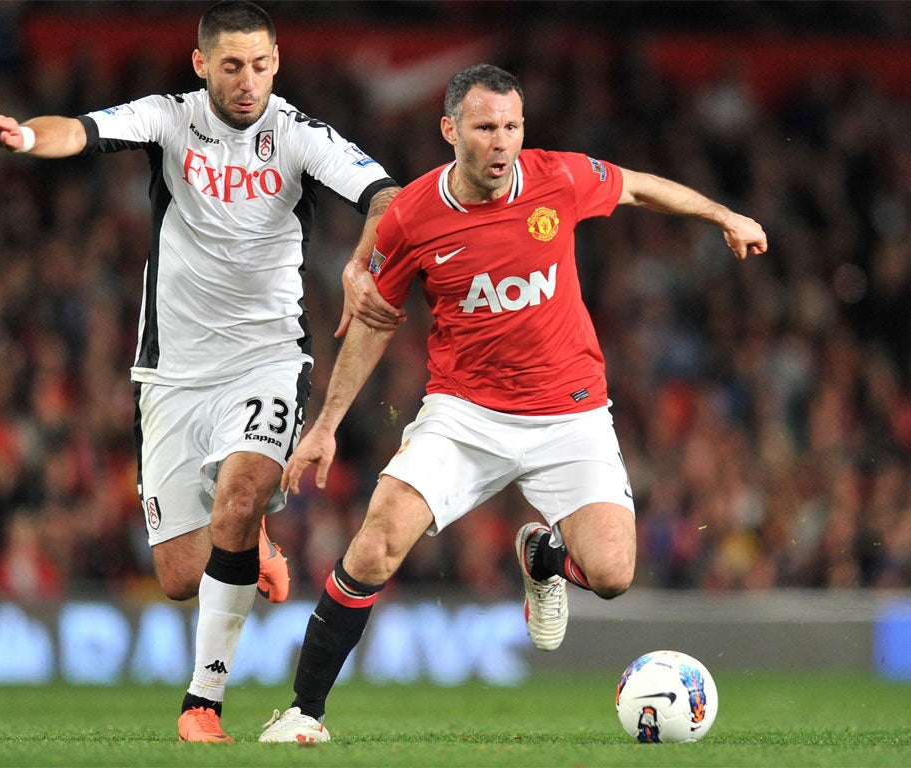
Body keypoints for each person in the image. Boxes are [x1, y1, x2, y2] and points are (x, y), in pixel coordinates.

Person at [259, 63, 767, 743]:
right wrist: (325, 425)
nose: (500, 142)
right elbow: (376, 318)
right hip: (464, 414)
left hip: (571, 413)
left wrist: (722, 214)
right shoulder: (412, 214)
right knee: (375, 544)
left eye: (510, 126)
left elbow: (638, 189)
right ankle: (304, 712)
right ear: (450, 130)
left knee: (614, 574)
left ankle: (545, 560)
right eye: (484, 127)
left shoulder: (556, 176)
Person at [0, 0, 403, 743]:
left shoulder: (295, 133)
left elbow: (386, 194)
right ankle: (249, 542)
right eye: (231, 65)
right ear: (201, 64)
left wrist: (364, 260)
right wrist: (25, 134)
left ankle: (202, 704)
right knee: (178, 576)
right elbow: (84, 129)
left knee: (240, 493)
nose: (248, 80)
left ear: (277, 60)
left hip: (267, 359)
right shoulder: (170, 119)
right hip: (171, 371)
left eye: (261, 64)